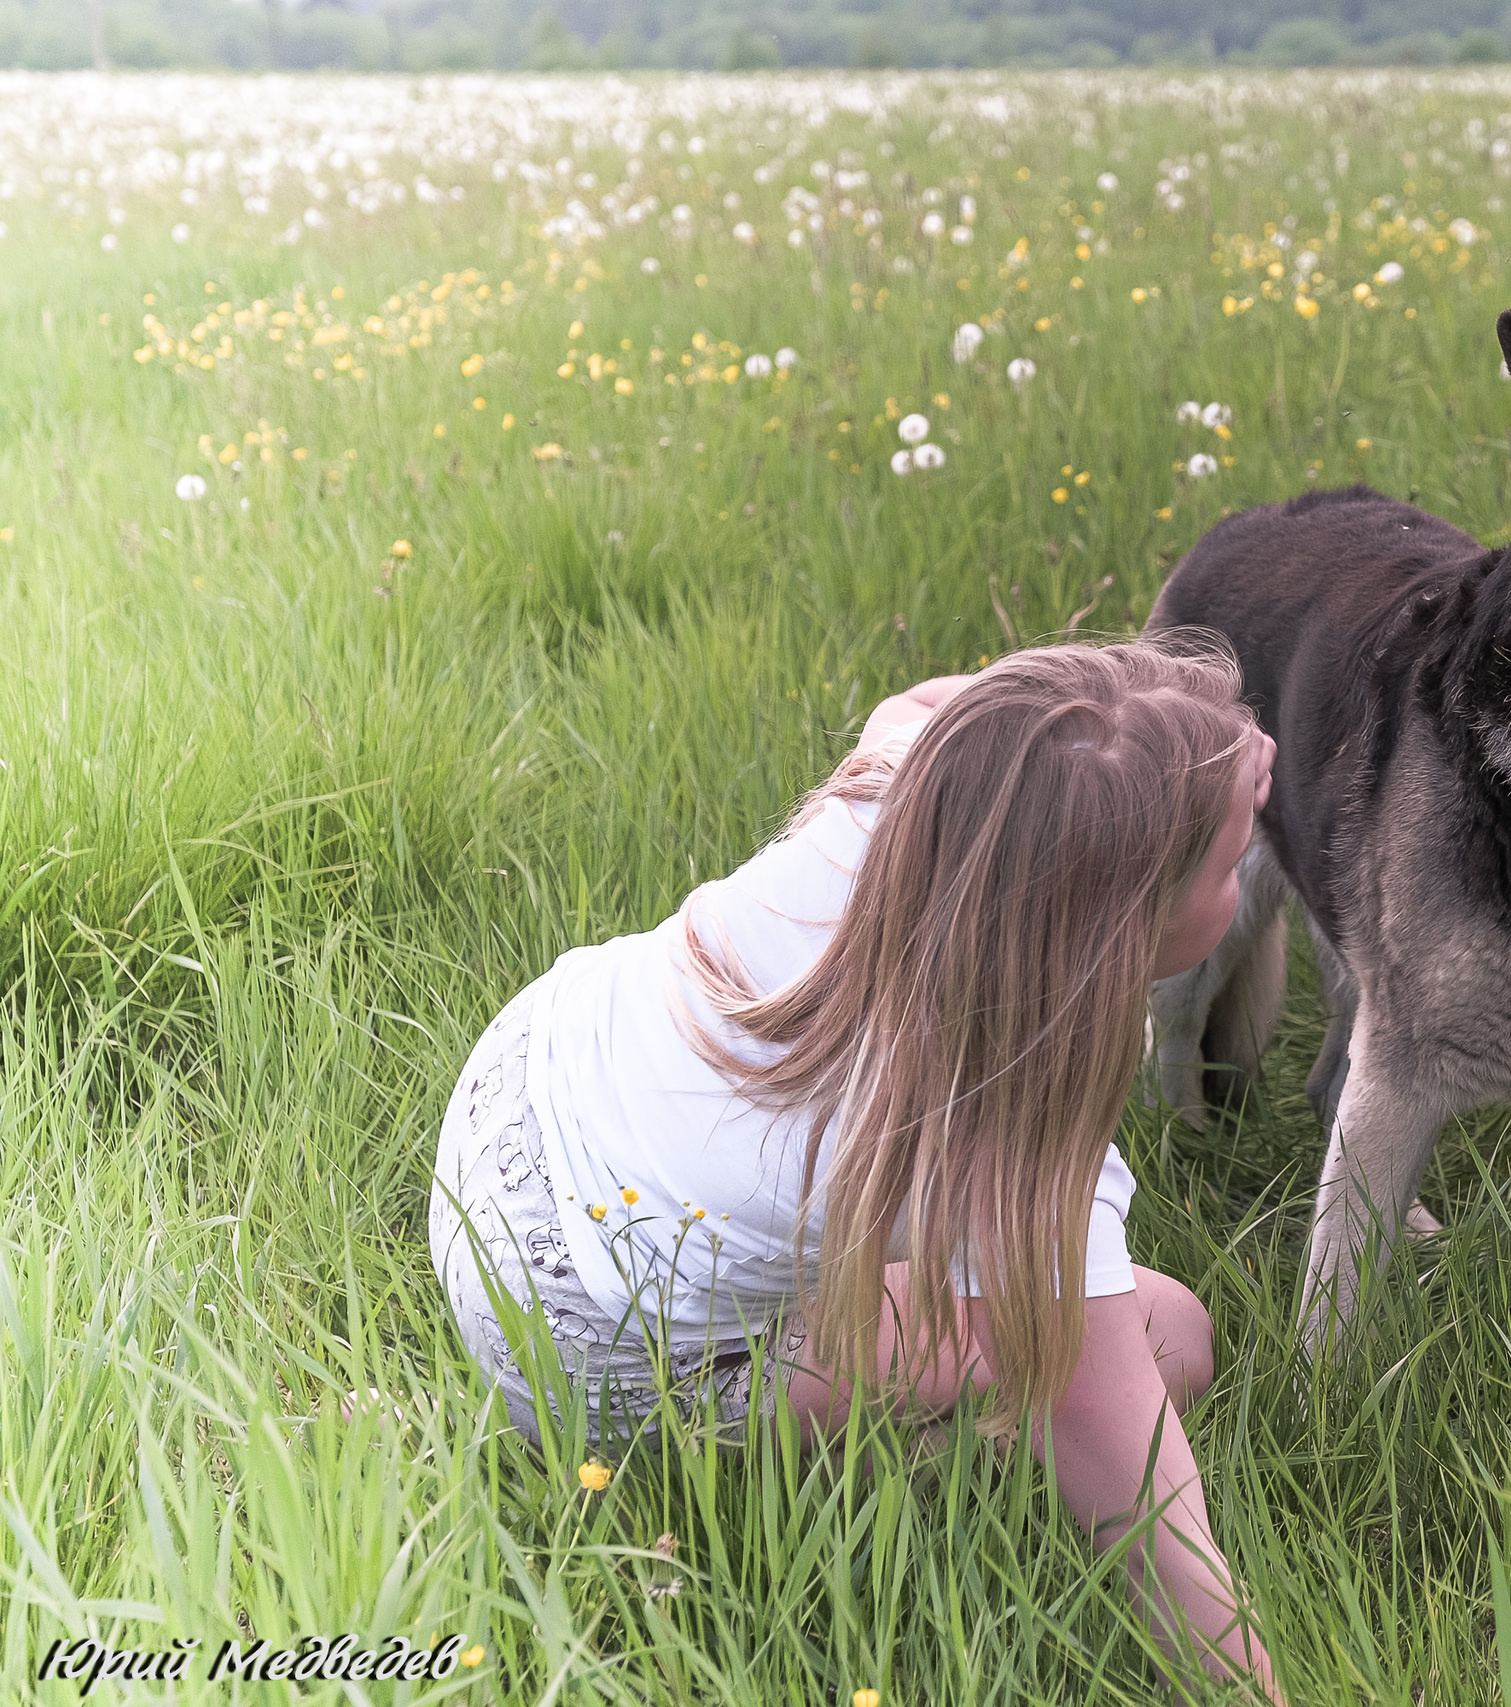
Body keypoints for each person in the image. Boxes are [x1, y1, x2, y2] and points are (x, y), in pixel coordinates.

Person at [427, 638, 1282, 1697]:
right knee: (1170, 1341)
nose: (1275, 760)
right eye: (1227, 867)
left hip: (515, 1096)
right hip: (584, 1343)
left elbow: (928, 705)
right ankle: (868, 1500)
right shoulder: (1000, 1133)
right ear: (1117, 937)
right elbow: (1134, 1471)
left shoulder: (927, 793)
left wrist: (1179, 747)